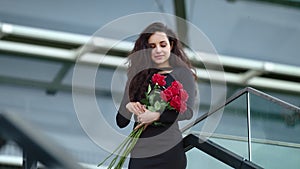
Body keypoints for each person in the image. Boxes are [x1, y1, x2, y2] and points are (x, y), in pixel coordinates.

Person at [116, 22, 196, 169]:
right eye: (152, 46)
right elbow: (121, 122)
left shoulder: (183, 74)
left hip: (169, 151)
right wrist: (128, 106)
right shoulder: (137, 77)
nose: (158, 50)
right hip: (141, 152)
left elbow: (188, 112)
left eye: (162, 45)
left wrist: (156, 116)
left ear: (171, 45)